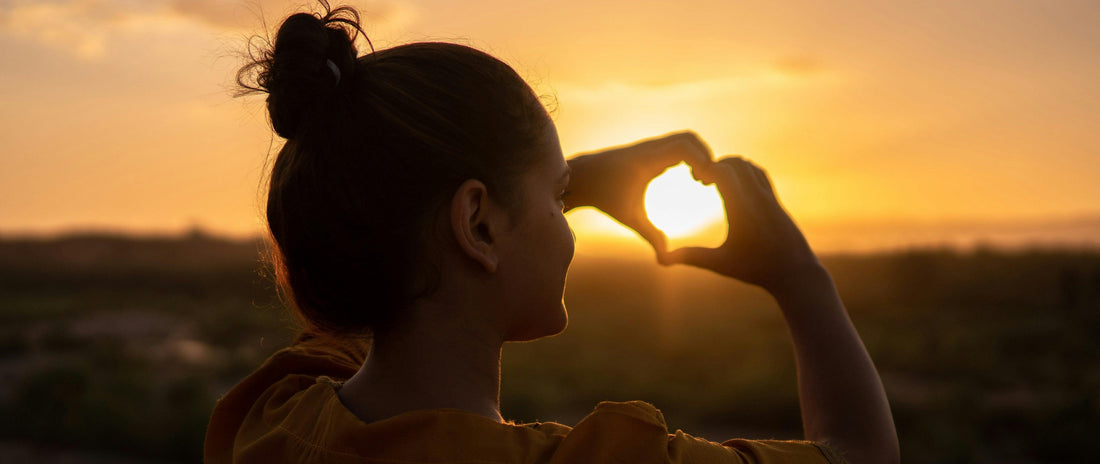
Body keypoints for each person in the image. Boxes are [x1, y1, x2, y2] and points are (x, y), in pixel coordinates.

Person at [204, 2, 899, 463]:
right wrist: (799, 278)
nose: (568, 226)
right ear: (477, 224)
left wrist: (552, 186)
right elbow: (860, 454)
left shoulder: (274, 417)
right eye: (559, 197)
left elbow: (382, 253)